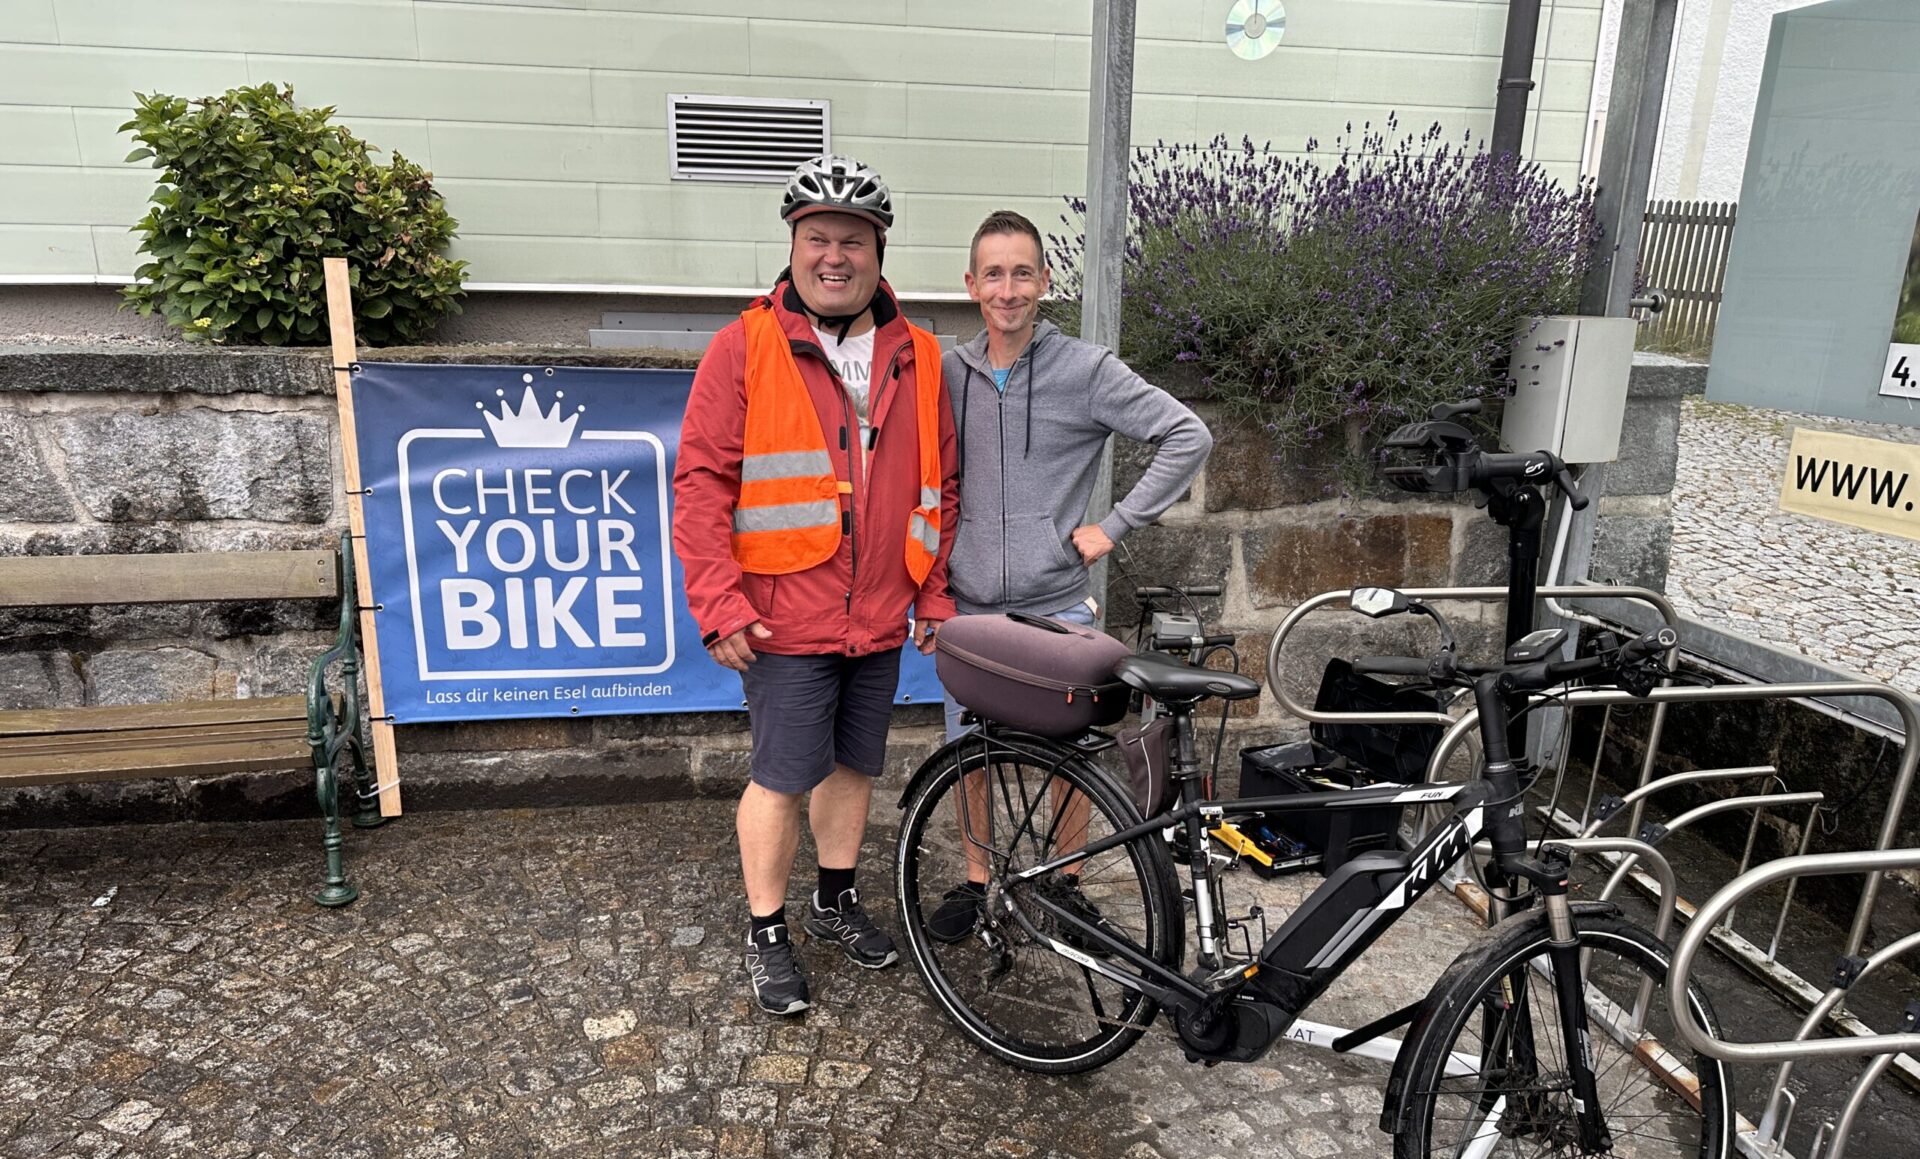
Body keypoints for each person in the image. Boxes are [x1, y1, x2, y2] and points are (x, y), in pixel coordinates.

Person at [672, 156, 959, 1015]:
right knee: (781, 777)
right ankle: (767, 931)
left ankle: (834, 901)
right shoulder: (744, 345)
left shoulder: (921, 356)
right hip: (782, 617)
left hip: (879, 614)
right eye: (819, 239)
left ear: (880, 251)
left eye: (853, 241)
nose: (835, 256)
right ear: (794, 247)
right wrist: (718, 604)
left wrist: (932, 592)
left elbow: (941, 485)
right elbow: (702, 484)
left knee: (853, 767)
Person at [927, 209, 1213, 943]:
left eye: (1023, 273)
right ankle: (978, 881)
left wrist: (1114, 524)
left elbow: (1188, 435)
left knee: (1069, 757)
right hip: (968, 607)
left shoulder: (1085, 370)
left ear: (1045, 281)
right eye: (994, 274)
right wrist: (926, 591)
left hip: (1055, 603)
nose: (1009, 289)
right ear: (971, 284)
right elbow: (919, 483)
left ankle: (1066, 882)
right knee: (969, 756)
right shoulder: (945, 374)